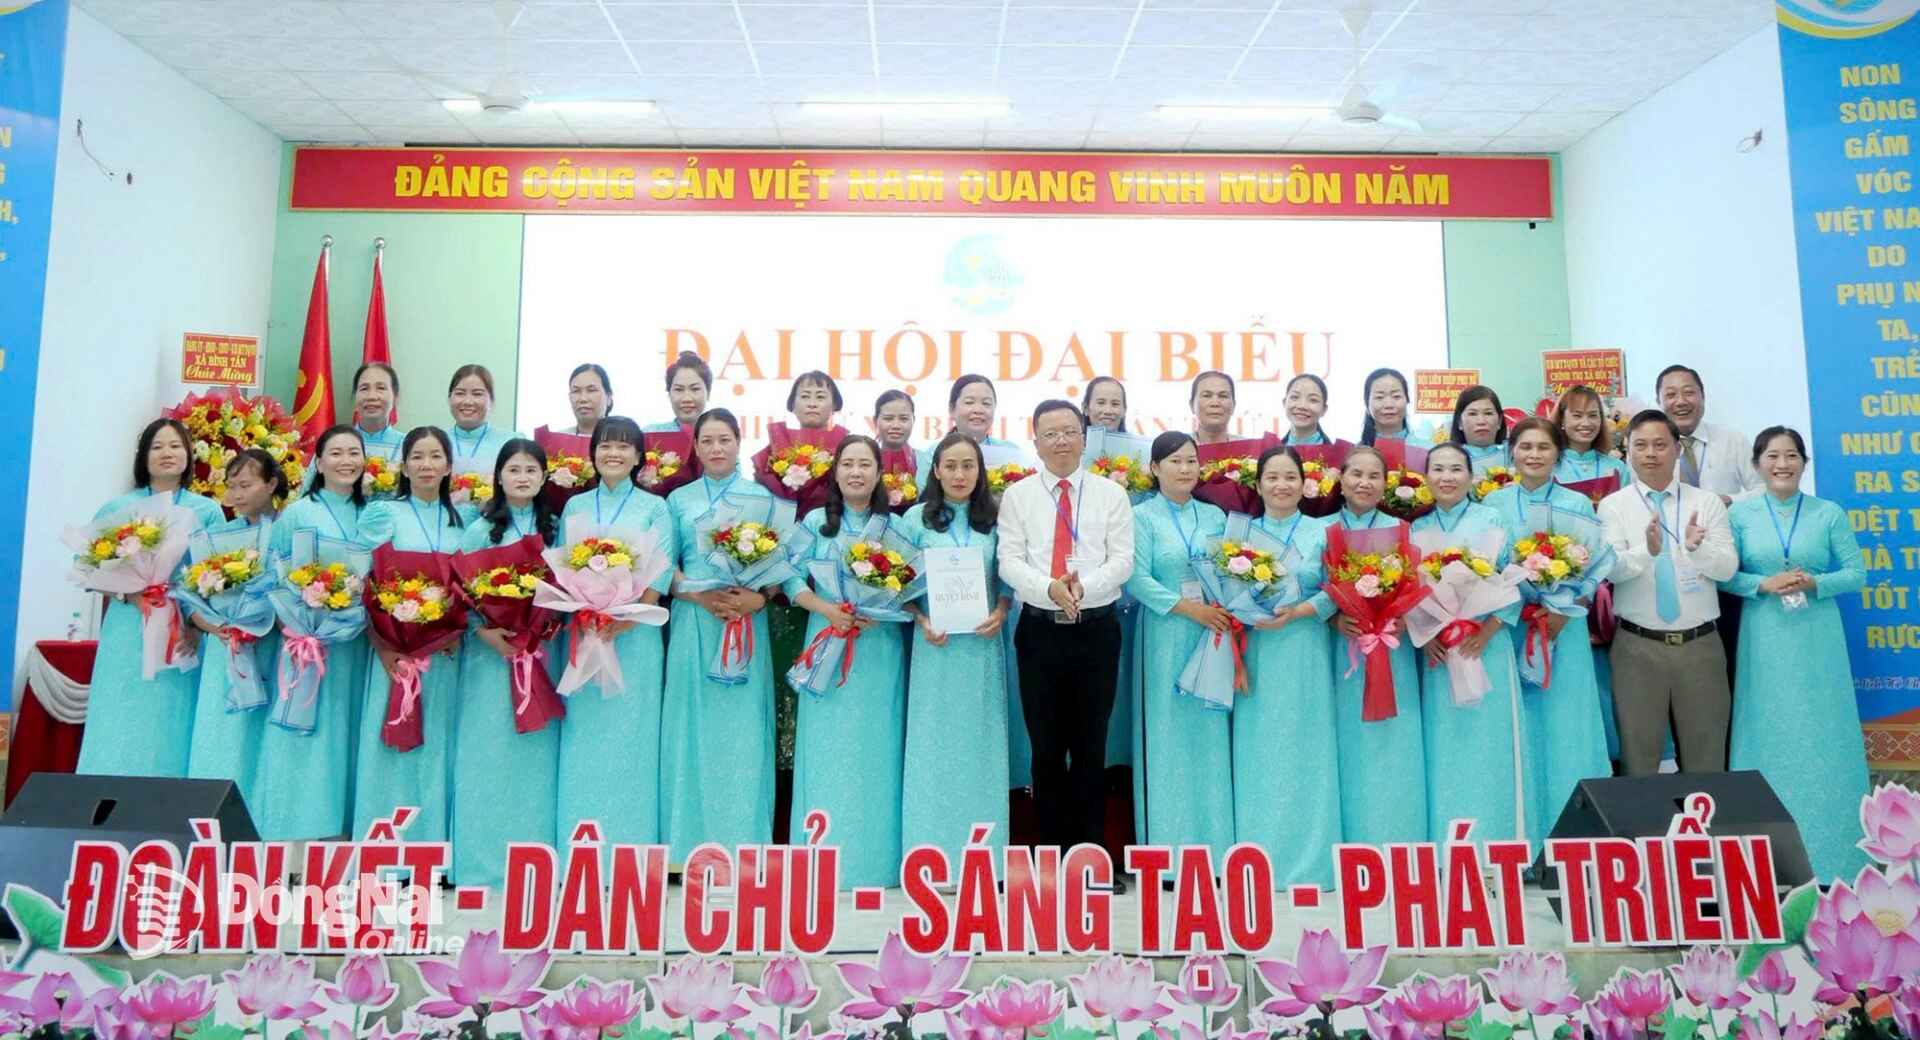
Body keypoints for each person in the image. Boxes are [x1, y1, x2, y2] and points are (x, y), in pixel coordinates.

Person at [1726, 426, 1870, 882]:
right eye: (1772, 456)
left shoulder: (1828, 513)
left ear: (1804, 463)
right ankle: (1762, 861)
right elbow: (1725, 576)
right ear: (1757, 464)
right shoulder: (1741, 515)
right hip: (1764, 634)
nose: (1782, 464)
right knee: (1766, 727)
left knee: (1822, 730)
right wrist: (1761, 584)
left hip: (1817, 636)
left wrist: (1816, 583)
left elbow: (1857, 573)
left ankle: (1836, 855)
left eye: (1791, 456)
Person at [997, 400, 1133, 858]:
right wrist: (1050, 588)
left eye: (1070, 431)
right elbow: (1009, 561)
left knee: (1092, 745)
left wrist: (1082, 587)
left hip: (1096, 631)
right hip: (1040, 632)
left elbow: (1123, 560)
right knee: (1046, 748)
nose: (1061, 441)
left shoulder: (1111, 494)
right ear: (1036, 442)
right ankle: (1052, 857)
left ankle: (1090, 857)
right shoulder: (1018, 496)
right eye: (1050, 433)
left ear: (1084, 438)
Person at [783, 436, 908, 887]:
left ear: (879, 473)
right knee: (826, 750)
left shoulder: (896, 529)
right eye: (848, 464)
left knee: (878, 750)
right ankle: (820, 861)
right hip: (827, 643)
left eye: (865, 464)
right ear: (835, 472)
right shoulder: (816, 522)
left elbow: (912, 585)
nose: (856, 472)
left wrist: (882, 607)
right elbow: (787, 575)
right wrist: (825, 608)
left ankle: (876, 862)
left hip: (879, 651)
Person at [1482, 418, 1614, 839]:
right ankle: (1522, 832)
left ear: (1558, 453)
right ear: (1512, 452)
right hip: (1513, 627)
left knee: (1566, 725)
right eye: (1525, 447)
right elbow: (1484, 567)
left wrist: (1565, 608)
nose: (1534, 455)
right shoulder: (1493, 504)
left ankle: (1576, 835)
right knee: (1520, 725)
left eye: (1543, 447)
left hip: (1563, 628)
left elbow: (1594, 568)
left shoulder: (1578, 505)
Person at [663, 409, 782, 861]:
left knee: (744, 733)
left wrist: (760, 599)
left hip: (745, 623)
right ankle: (686, 847)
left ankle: (744, 846)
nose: (716, 448)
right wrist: (699, 596)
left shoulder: (763, 498)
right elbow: (665, 567)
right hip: (695, 622)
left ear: (738, 442)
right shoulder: (678, 500)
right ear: (695, 448)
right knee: (689, 730)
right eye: (707, 441)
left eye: (724, 440)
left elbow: (780, 572)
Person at [76, 418, 225, 778]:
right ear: (143, 457)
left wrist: (195, 626)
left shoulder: (207, 511)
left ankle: (171, 795)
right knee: (121, 708)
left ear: (188, 455)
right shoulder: (118, 507)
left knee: (172, 712)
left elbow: (216, 575)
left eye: (175, 446)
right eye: (157, 447)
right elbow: (86, 568)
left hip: (183, 629)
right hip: (128, 625)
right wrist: (131, 593)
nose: (166, 453)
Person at [1598, 410, 1738, 775]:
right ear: (1628, 452)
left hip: (1700, 646)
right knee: (1639, 759)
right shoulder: (1614, 506)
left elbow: (1727, 569)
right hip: (1637, 647)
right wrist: (1647, 550)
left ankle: (1703, 814)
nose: (1650, 453)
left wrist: (1697, 550)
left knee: (1707, 758)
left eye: (1660, 445)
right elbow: (1612, 569)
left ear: (1677, 449)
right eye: (1640, 445)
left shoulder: (1705, 503)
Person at [559, 418, 677, 849]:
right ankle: (580, 843)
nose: (614, 453)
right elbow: (564, 563)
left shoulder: (654, 507)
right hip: (585, 630)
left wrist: (630, 616)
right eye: (606, 445)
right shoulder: (575, 506)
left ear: (639, 456)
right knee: (584, 732)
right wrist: (586, 609)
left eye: (624, 447)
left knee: (633, 734)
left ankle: (631, 845)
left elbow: (661, 567)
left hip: (635, 634)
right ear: (592, 452)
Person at [452, 438, 562, 888]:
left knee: (536, 755)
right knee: (489, 753)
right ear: (498, 476)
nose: (522, 477)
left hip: (542, 654)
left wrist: (543, 627)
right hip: (490, 659)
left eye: (531, 470)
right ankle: (481, 864)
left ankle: (535, 862)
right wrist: (484, 633)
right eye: (514, 469)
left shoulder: (556, 529)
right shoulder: (479, 530)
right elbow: (459, 592)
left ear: (543, 477)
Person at [253, 425, 371, 840]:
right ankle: (293, 830)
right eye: (335, 453)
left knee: (347, 729)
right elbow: (272, 573)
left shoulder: (373, 513)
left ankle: (343, 831)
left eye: (354, 453)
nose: (345, 461)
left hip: (356, 643)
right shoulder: (298, 513)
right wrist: (298, 622)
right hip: (305, 643)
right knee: (308, 733)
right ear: (318, 463)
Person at [900, 433, 1012, 862]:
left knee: (981, 744)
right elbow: (896, 584)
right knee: (934, 746)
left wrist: (1001, 610)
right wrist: (921, 618)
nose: (959, 474)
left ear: (980, 471)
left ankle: (985, 857)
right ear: (935, 470)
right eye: (950, 466)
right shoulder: (915, 519)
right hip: (936, 648)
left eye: (968, 465)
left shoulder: (996, 518)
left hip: (983, 648)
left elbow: (1007, 578)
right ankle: (929, 852)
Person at [353, 426, 465, 842]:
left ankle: (431, 844)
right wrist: (383, 646)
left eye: (436, 456)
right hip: (393, 656)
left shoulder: (465, 520)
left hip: (445, 655)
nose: (426, 465)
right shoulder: (384, 514)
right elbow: (363, 583)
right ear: (403, 466)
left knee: (438, 742)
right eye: (417, 456)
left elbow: (470, 589)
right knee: (388, 746)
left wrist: (452, 631)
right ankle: (381, 844)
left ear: (449, 466)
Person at [1234, 447, 1340, 886]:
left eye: (1290, 477)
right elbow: (1224, 593)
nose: (1281, 485)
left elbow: (1337, 590)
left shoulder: (1325, 532)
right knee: (1260, 750)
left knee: (1308, 747)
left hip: (1305, 649)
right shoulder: (1239, 534)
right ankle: (1261, 857)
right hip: (1257, 650)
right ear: (1258, 485)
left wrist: (1300, 611)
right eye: (1272, 477)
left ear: (1304, 484)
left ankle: (1313, 862)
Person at [1126, 432, 1234, 859]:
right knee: (1167, 735)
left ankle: (1215, 849)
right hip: (1165, 634)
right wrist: (1192, 610)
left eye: (1191, 460)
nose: (1185, 468)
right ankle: (1167, 854)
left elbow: (1231, 571)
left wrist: (1218, 610)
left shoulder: (1215, 516)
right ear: (1155, 468)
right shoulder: (1142, 516)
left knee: (1209, 734)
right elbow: (1137, 580)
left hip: (1212, 635)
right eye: (1174, 461)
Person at [1413, 442, 1527, 843]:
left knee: (1490, 741)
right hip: (1441, 651)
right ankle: (1449, 845)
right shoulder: (1415, 529)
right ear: (1425, 478)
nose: (1447, 477)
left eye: (1456, 469)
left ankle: (1499, 840)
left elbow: (1513, 578)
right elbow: (1409, 595)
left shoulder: (1491, 519)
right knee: (1445, 743)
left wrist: (1487, 630)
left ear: (1472, 476)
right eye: (1438, 469)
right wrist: (1426, 636)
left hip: (1486, 646)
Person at [1326, 445, 1426, 843]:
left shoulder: (1402, 531)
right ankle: (1352, 840)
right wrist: (1335, 619)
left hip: (1393, 650)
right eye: (1356, 474)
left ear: (1386, 484)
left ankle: (1399, 835)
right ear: (1341, 480)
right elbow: (1314, 589)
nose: (1364, 483)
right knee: (1347, 739)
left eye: (1374, 476)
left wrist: (1401, 615)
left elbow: (1418, 589)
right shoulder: (1324, 531)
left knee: (1394, 739)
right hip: (1345, 651)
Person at [184, 448, 287, 803]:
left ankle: (259, 806)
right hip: (225, 644)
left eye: (246, 485)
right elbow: (191, 594)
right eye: (231, 486)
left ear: (271, 484)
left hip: (271, 645)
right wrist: (210, 624)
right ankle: (210, 805)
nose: (236, 494)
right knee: (222, 727)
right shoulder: (217, 536)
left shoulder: (287, 531)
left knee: (263, 730)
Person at [1656, 364, 1759, 682]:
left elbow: (1762, 488)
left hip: (1726, 561)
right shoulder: (1652, 448)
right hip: (1674, 570)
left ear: (1703, 396)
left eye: (1689, 392)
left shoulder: (1732, 440)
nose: (1680, 401)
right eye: (1671, 394)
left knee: (1731, 654)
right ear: (1659, 401)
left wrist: (1729, 500)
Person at [1082, 376, 1136, 771]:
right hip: (1080, 580)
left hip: (1126, 578)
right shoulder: (1069, 452)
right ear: (1085, 407)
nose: (1107, 410)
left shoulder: (1138, 457)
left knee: (1121, 680)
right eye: (1100, 402)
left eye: (1115, 403)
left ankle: (1121, 762)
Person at [445, 364, 524, 518]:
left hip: (496, 525)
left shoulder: (513, 442)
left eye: (477, 394)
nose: (468, 401)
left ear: (491, 401)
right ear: (449, 399)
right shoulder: (435, 441)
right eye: (460, 393)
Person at [1552, 385, 1631, 487]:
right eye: (1577, 416)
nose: (1586, 423)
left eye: (1593, 415)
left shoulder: (1617, 468)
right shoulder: (1549, 468)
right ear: (1562, 419)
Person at [1449, 385, 1510, 477]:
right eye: (1472, 414)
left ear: (1499, 421)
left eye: (1488, 413)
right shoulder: (1447, 459)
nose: (1481, 421)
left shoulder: (1513, 456)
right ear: (1459, 422)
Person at [645, 351, 711, 435]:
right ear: (669, 394)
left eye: (695, 389)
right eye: (679, 389)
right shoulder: (650, 434)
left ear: (708, 393)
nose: (687, 399)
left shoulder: (721, 436)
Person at [873, 389, 923, 500]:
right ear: (875, 421)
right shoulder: (867, 461)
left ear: (913, 420)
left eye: (904, 419)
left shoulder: (926, 461)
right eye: (888, 419)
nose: (896, 425)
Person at [351, 362, 404, 463]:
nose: (371, 396)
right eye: (364, 388)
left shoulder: (408, 445)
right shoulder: (336, 443)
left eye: (381, 388)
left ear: (395, 398)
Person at [1282, 374, 1342, 449]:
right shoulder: (1271, 452)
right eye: (1295, 397)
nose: (1302, 406)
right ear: (1284, 403)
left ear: (1324, 409)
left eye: (1313, 400)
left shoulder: (1339, 454)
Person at [1359, 369, 1412, 445]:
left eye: (1396, 396)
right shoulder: (1356, 451)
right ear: (1367, 404)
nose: (1389, 405)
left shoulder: (1425, 448)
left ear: (1407, 400)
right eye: (1379, 397)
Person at [564, 363, 613, 438]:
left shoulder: (625, 440)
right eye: (576, 391)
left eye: (591, 390)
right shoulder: (556, 440)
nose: (583, 399)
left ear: (608, 398)